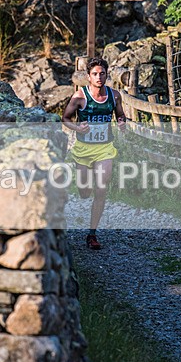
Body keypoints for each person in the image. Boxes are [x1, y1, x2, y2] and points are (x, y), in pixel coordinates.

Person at [62, 56, 127, 250]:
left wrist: (122, 122)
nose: (99, 77)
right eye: (95, 74)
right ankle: (85, 187)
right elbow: (65, 118)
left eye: (102, 74)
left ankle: (92, 234)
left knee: (101, 188)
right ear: (88, 77)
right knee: (84, 191)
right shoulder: (80, 97)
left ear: (107, 76)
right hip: (83, 149)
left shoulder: (114, 95)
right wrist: (77, 128)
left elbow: (120, 114)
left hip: (105, 148)